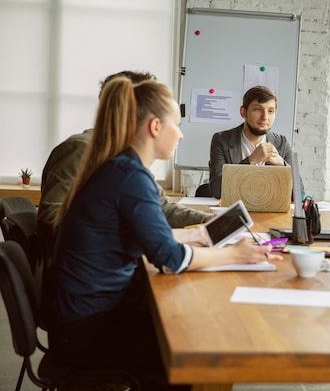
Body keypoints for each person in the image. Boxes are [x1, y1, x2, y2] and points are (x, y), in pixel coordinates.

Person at [44, 77, 281, 391]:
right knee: (195, 353)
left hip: (83, 318)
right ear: (155, 127)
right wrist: (236, 254)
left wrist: (199, 236)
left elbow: (148, 236)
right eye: (177, 124)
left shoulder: (120, 168)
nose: (181, 134)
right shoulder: (130, 177)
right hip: (89, 330)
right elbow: (170, 259)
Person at [37, 71, 212, 278]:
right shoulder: (82, 150)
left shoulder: (128, 157)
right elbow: (51, 221)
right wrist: (136, 238)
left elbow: (162, 208)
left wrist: (208, 222)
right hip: (87, 276)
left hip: (108, 272)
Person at [206, 85, 302, 198]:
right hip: (235, 211)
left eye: (270, 111)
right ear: (243, 112)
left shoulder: (281, 143)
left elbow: (299, 194)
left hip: (270, 212)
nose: (265, 117)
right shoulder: (221, 140)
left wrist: (283, 164)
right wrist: (251, 160)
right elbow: (217, 190)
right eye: (257, 109)